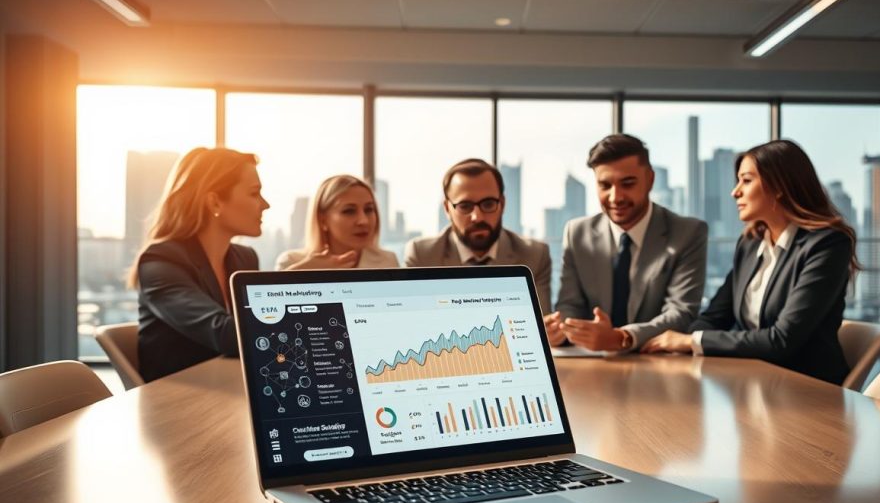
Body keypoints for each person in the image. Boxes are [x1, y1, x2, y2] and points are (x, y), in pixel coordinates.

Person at [641, 139, 859, 386]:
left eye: (746, 180)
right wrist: (683, 339)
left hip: (806, 390)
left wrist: (690, 341)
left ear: (778, 186)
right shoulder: (750, 244)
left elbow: (781, 340)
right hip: (753, 382)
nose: (735, 192)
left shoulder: (826, 245)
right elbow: (715, 316)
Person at [545, 134, 708, 352]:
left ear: (650, 179)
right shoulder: (577, 233)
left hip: (658, 364)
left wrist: (622, 337)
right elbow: (570, 304)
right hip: (592, 364)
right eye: (605, 185)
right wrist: (562, 330)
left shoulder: (687, 233)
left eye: (627, 184)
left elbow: (681, 313)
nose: (615, 197)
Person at [129, 147, 269, 382]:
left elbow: (260, 324)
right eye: (254, 193)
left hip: (231, 388)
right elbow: (226, 334)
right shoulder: (161, 261)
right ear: (215, 202)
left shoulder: (245, 258)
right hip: (180, 404)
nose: (265, 204)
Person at [405, 158, 553, 312]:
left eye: (488, 204)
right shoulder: (422, 256)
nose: (477, 217)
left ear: (502, 204)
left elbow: (543, 326)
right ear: (447, 209)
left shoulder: (535, 255)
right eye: (465, 206)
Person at [276, 175, 398, 270]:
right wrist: (305, 272)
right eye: (349, 211)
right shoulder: (292, 262)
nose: (363, 221)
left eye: (369, 209)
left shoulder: (388, 261)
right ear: (323, 219)